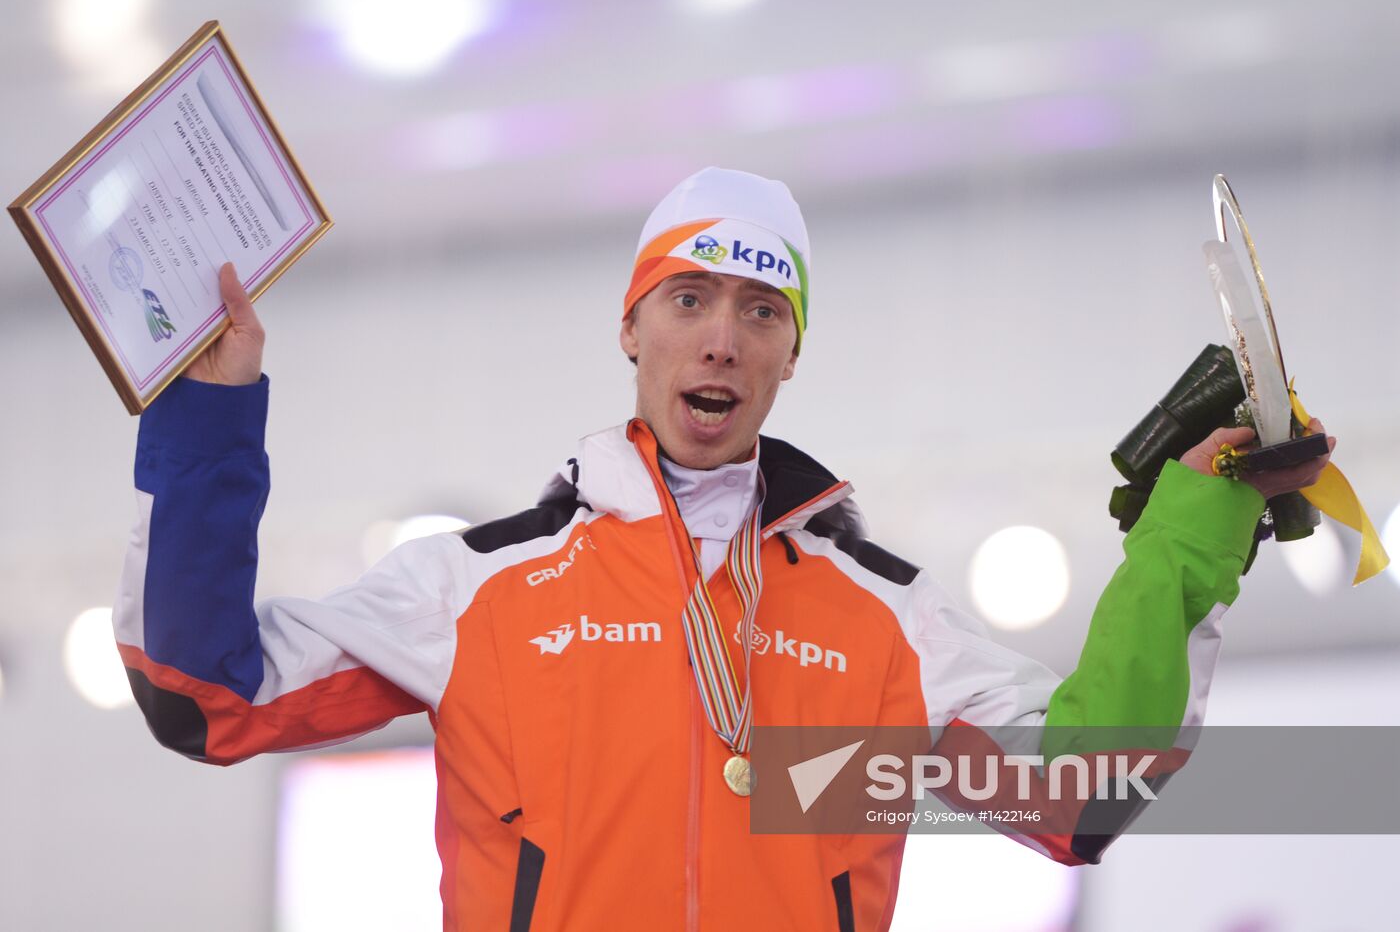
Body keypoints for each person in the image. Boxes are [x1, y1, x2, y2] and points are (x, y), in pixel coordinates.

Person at [113, 167, 1334, 931]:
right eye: (687, 300)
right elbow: (204, 696)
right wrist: (206, 414)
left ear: (789, 356)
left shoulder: (878, 621)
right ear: (630, 326)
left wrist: (1189, 531)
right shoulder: (476, 589)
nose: (721, 341)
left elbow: (1082, 796)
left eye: (761, 313)